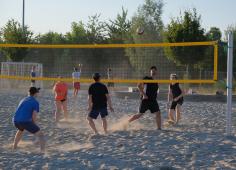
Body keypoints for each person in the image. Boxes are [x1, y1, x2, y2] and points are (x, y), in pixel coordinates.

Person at [12, 87, 45, 152]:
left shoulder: (23, 99)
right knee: (41, 135)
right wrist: (35, 126)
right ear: (35, 94)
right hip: (24, 121)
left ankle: (14, 146)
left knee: (20, 130)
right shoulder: (35, 102)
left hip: (15, 120)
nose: (38, 94)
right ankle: (43, 151)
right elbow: (34, 116)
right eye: (37, 92)